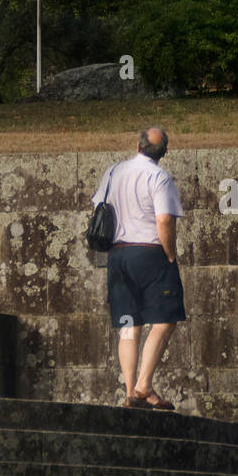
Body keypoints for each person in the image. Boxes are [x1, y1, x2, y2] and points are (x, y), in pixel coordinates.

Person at [91, 126, 186, 410]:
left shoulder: (113, 172)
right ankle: (143, 385)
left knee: (129, 326)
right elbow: (164, 220)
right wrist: (170, 254)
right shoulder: (159, 176)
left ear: (137, 146)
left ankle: (131, 391)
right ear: (164, 152)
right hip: (150, 253)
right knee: (164, 320)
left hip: (118, 255)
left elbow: (96, 206)